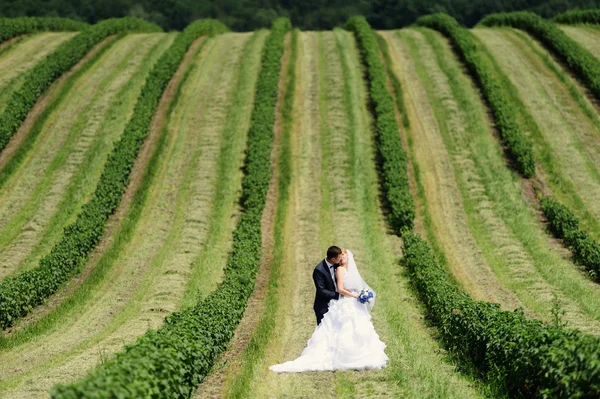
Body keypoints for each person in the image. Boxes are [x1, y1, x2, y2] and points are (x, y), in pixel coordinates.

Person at [269, 247, 388, 372]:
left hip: (344, 301)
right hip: (324, 304)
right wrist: (342, 295)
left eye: (343, 256)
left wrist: (357, 293)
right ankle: (327, 356)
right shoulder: (319, 270)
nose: (341, 258)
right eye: (339, 257)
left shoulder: (339, 266)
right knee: (326, 333)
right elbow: (322, 291)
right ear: (333, 259)